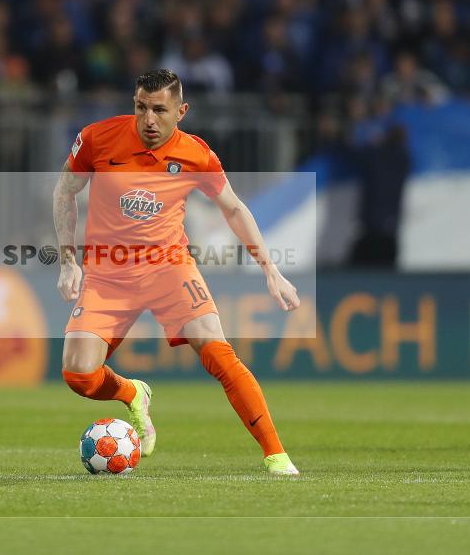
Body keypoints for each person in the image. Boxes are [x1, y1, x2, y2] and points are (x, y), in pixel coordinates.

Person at [52, 69, 301, 475]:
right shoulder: (97, 138)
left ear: (181, 111)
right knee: (78, 374)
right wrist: (67, 259)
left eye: (160, 110)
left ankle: (276, 455)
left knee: (219, 353)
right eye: (141, 108)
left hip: (169, 268)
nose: (149, 120)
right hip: (109, 273)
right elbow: (65, 189)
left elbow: (234, 209)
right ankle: (133, 392)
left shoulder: (196, 155)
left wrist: (270, 269)